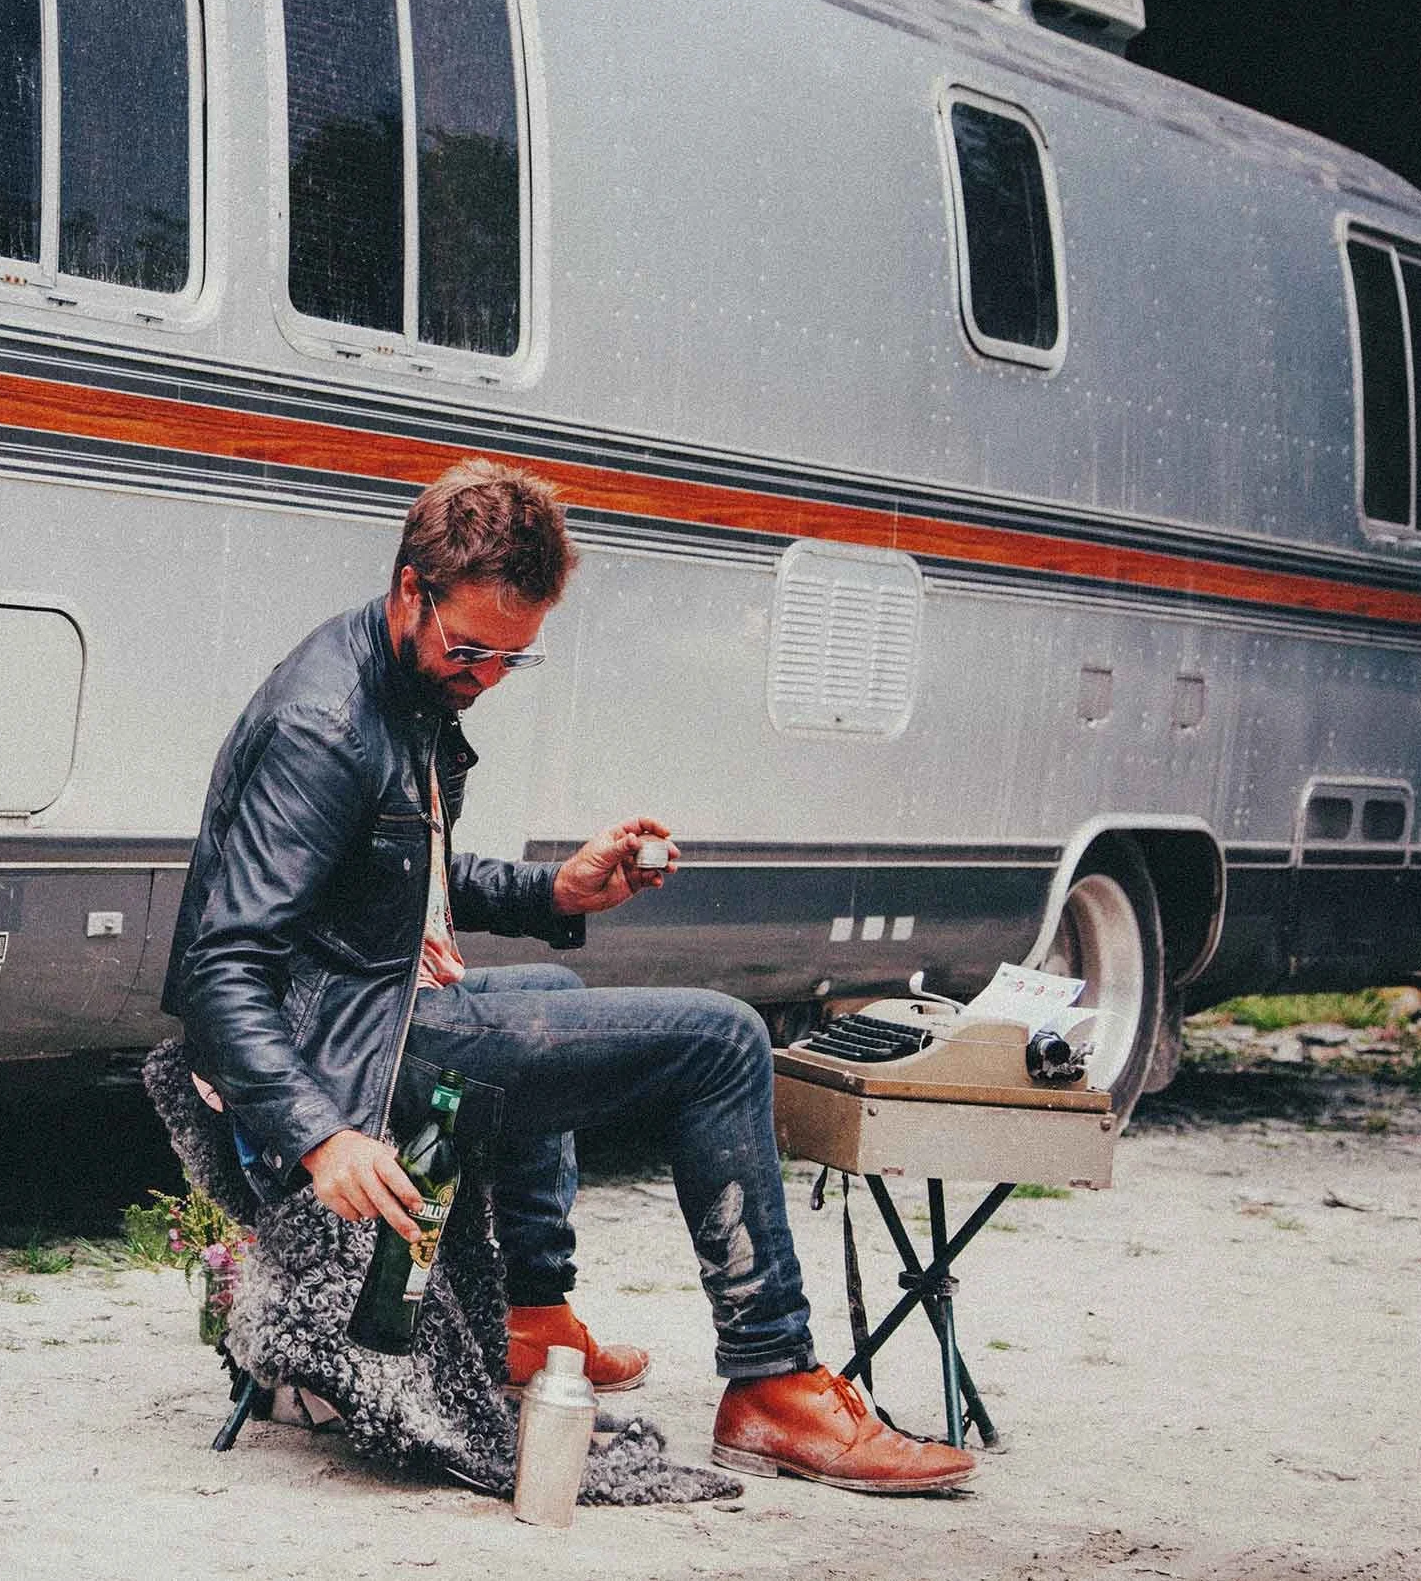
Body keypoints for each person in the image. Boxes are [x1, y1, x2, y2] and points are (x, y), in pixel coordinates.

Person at [162, 458, 975, 1493]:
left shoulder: (400, 675)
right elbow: (220, 963)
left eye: (513, 658)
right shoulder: (326, 724)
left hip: (354, 1014)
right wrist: (319, 1134)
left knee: (552, 997)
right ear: (411, 587)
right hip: (337, 1062)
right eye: (472, 650)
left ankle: (530, 1315)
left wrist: (560, 892)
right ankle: (771, 1379)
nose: (487, 677)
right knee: (722, 1039)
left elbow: (397, 878)